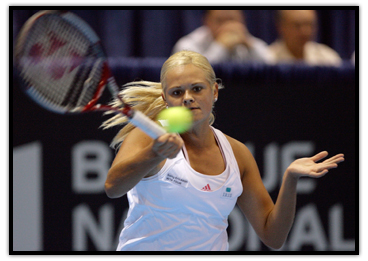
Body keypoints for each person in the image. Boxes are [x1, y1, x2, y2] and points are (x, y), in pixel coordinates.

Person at [102, 50, 344, 251]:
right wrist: (154, 153)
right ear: (166, 99)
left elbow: (273, 236)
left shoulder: (237, 154)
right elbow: (113, 187)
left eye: (197, 89)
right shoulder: (148, 135)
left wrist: (290, 179)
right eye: (177, 92)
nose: (188, 98)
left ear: (214, 91)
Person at [172, 10, 273, 64]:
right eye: (220, 21)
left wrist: (249, 45)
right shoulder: (187, 45)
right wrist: (220, 46)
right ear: (206, 21)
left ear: (242, 20)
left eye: (232, 20)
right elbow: (197, 76)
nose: (227, 27)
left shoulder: (248, 41)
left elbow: (271, 68)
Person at [269, 10, 342, 66]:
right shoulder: (269, 59)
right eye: (297, 25)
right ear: (281, 27)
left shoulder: (327, 58)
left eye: (309, 24)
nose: (305, 31)